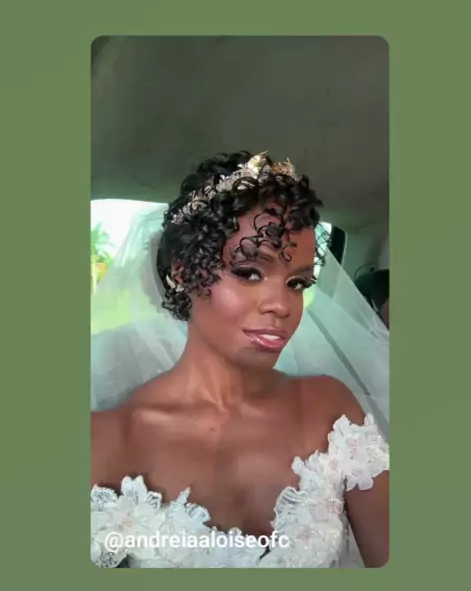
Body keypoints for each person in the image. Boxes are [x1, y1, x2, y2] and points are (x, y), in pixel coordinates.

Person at [91, 151, 389, 569]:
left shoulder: (331, 411)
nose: (282, 305)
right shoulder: (105, 442)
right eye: (250, 272)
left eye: (297, 282)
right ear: (184, 272)